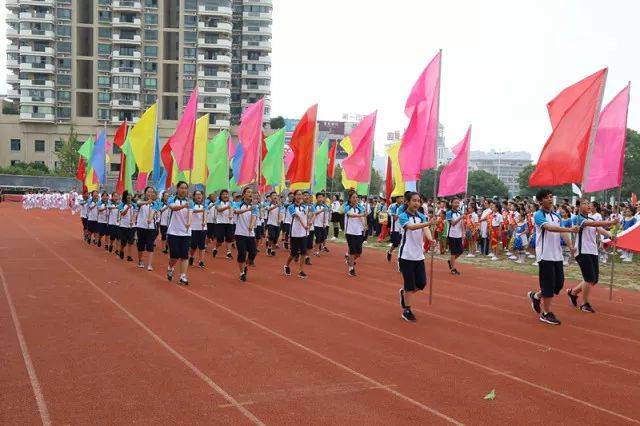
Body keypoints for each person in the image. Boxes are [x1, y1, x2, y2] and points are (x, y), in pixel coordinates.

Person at [527, 189, 579, 326]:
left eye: (551, 197)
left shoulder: (557, 216)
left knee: (558, 285)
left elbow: (563, 233)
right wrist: (569, 229)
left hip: (557, 255)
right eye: (546, 197)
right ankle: (546, 313)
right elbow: (549, 228)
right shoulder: (538, 215)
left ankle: (536, 296)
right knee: (548, 285)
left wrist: (571, 246)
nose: (550, 199)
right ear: (540, 201)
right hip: (545, 255)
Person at [566, 198, 617, 313]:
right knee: (589, 278)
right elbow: (593, 224)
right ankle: (584, 304)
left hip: (593, 251)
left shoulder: (591, 218)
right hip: (582, 251)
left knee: (593, 280)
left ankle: (573, 293)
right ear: (578, 207)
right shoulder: (578, 219)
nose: (588, 205)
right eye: (585, 203)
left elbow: (599, 228)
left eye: (589, 203)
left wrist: (610, 235)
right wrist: (610, 222)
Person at [398, 192, 435, 322]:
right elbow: (411, 227)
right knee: (409, 284)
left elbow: (425, 230)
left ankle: (404, 294)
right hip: (406, 256)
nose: (416, 203)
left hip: (419, 256)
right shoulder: (402, 216)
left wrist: (430, 239)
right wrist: (427, 224)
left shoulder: (421, 216)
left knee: (421, 283)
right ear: (407, 202)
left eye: (418, 201)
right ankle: (407, 310)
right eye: (414, 200)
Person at [166, 181, 191, 285]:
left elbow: (191, 213)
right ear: (177, 188)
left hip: (185, 232)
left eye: (185, 188)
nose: (183, 190)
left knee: (185, 256)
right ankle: (170, 267)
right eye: (182, 188)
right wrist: (184, 206)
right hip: (173, 232)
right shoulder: (172, 199)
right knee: (174, 255)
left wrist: (188, 223)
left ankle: (183, 276)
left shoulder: (190, 202)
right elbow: (173, 208)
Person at [233, 187, 259, 282]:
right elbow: (236, 212)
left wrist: (251, 226)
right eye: (248, 192)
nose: (250, 194)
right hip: (240, 233)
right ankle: (242, 272)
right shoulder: (237, 204)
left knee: (253, 253)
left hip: (250, 233)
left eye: (251, 192)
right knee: (242, 253)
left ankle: (246, 265)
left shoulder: (254, 206)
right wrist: (248, 209)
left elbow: (254, 216)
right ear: (244, 194)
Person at [284, 189, 309, 279]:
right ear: (294, 196)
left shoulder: (304, 207)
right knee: (293, 253)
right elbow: (297, 217)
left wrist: (308, 224)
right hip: (295, 232)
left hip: (303, 233)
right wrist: (304, 225)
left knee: (303, 252)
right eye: (298, 194)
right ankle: (286, 265)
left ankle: (301, 271)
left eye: (301, 194)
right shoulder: (291, 207)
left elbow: (307, 216)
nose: (299, 196)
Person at [135, 186, 159, 271]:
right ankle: (140, 260)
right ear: (145, 192)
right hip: (141, 226)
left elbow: (153, 211)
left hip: (151, 227)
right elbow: (138, 203)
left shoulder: (155, 203)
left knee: (150, 245)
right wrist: (146, 202)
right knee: (141, 245)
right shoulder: (140, 201)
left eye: (152, 192)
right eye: (149, 191)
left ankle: (149, 264)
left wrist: (150, 219)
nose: (150, 193)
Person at [344, 190, 367, 277]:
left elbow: (362, 217)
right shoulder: (347, 207)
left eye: (356, 197)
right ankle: (351, 269)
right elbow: (350, 214)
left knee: (359, 253)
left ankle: (349, 259)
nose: (355, 199)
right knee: (353, 251)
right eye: (353, 197)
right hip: (349, 232)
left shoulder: (360, 207)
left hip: (358, 232)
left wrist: (364, 225)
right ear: (349, 199)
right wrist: (361, 215)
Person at [212, 189, 234, 260]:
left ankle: (229, 252)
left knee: (229, 238)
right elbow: (219, 209)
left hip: (229, 223)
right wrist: (227, 207)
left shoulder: (231, 202)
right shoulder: (218, 202)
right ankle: (215, 248)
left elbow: (232, 209)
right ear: (221, 195)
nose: (225, 195)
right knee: (220, 239)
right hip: (220, 223)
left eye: (226, 194)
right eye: (224, 194)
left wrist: (230, 214)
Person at [445, 198, 464, 275]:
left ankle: (450, 261)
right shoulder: (449, 213)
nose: (457, 204)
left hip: (458, 235)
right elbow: (453, 223)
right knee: (453, 252)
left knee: (460, 251)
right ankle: (453, 268)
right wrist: (461, 217)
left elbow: (461, 223)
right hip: (452, 235)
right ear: (451, 203)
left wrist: (463, 232)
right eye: (455, 203)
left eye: (458, 203)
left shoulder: (460, 212)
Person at [189, 190, 207, 268]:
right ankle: (192, 256)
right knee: (193, 245)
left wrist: (205, 222)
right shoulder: (191, 204)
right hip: (194, 228)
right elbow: (192, 211)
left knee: (202, 245)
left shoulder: (204, 205)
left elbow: (205, 214)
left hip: (203, 228)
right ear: (194, 196)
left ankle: (201, 261)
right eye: (197, 194)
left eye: (200, 194)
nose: (199, 196)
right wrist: (201, 210)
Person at [117, 190, 136, 262]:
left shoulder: (134, 205)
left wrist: (133, 221)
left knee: (131, 242)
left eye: (130, 195)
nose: (129, 196)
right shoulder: (121, 204)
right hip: (123, 226)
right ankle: (121, 250)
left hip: (132, 226)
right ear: (125, 196)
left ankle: (129, 256)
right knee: (123, 241)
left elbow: (135, 214)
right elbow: (122, 214)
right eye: (128, 195)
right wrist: (128, 208)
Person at [264, 192, 281, 257]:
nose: (275, 196)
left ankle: (273, 250)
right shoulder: (268, 204)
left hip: (277, 224)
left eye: (276, 195)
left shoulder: (279, 205)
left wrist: (279, 220)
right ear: (270, 197)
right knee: (272, 236)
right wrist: (277, 205)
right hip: (270, 223)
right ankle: (269, 247)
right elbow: (269, 209)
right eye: (273, 195)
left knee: (276, 238)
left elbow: (281, 213)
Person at [386, 196, 402, 262]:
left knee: (401, 243)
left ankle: (400, 258)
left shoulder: (403, 206)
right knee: (395, 244)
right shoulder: (392, 206)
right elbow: (388, 212)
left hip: (402, 228)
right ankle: (389, 252)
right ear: (397, 199)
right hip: (395, 227)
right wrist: (393, 215)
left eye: (402, 198)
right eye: (400, 198)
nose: (401, 200)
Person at [312, 193, 329, 257]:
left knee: (322, 238)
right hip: (316, 224)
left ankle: (315, 248)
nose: (321, 198)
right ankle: (316, 251)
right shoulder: (314, 206)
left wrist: (326, 223)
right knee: (318, 238)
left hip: (323, 225)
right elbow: (315, 213)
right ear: (316, 198)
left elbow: (327, 214)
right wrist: (321, 210)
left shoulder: (325, 206)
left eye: (322, 197)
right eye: (319, 197)